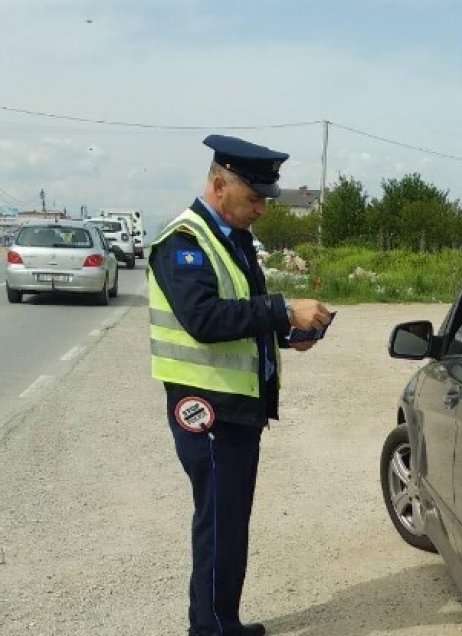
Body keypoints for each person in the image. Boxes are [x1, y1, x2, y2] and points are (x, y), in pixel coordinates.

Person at [148, 134, 332, 636]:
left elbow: (240, 317)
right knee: (219, 524)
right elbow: (204, 319)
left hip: (236, 408)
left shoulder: (232, 240)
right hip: (207, 408)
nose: (262, 209)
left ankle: (221, 621)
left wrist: (289, 334)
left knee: (229, 523)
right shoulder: (183, 242)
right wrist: (281, 309)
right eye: (253, 198)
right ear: (217, 185)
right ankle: (209, 629)